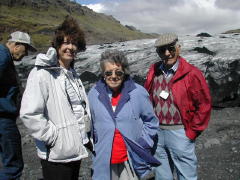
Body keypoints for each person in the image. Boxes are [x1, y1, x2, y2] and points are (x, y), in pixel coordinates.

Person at [20, 16, 92, 180]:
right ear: (57, 44)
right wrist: (52, 137)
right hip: (57, 152)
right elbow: (29, 113)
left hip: (75, 148)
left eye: (74, 43)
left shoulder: (73, 75)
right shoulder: (41, 74)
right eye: (66, 42)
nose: (70, 47)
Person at [144, 33, 212, 180]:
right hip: (157, 132)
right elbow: (147, 97)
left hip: (180, 132)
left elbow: (204, 104)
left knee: (186, 175)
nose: (167, 54)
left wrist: (192, 132)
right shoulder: (153, 71)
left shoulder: (192, 73)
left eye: (171, 49)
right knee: (161, 175)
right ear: (158, 53)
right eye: (162, 51)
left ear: (178, 48)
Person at [88, 49, 160, 180]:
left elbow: (151, 121)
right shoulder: (94, 94)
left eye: (118, 72)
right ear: (103, 74)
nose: (113, 76)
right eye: (108, 72)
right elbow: (91, 123)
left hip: (130, 158)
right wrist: (96, 144)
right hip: (104, 158)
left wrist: (143, 144)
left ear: (124, 72)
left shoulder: (138, 92)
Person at [0, 31, 36, 180]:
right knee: (13, 165)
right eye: (25, 49)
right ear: (16, 45)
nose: (25, 53)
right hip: (3, 118)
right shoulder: (2, 56)